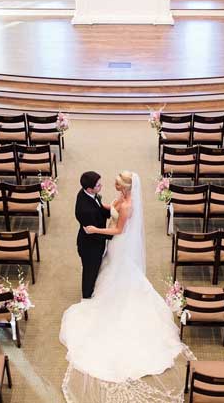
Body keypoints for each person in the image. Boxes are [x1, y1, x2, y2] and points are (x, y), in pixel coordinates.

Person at [60, 171, 192, 403]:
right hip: (110, 244)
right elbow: (110, 208)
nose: (112, 183)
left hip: (117, 242)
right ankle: (93, 292)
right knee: (104, 270)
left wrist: (97, 230)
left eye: (117, 182)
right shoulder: (120, 198)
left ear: (127, 187)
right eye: (107, 183)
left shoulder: (128, 205)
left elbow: (119, 230)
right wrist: (108, 209)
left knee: (117, 272)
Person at [74, 171, 113, 299]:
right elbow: (94, 233)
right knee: (89, 274)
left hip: (94, 240)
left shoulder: (87, 194)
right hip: (90, 246)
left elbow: (99, 208)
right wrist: (113, 234)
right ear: (89, 189)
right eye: (98, 185)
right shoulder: (86, 210)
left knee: (94, 270)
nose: (101, 186)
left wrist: (112, 212)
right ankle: (86, 298)